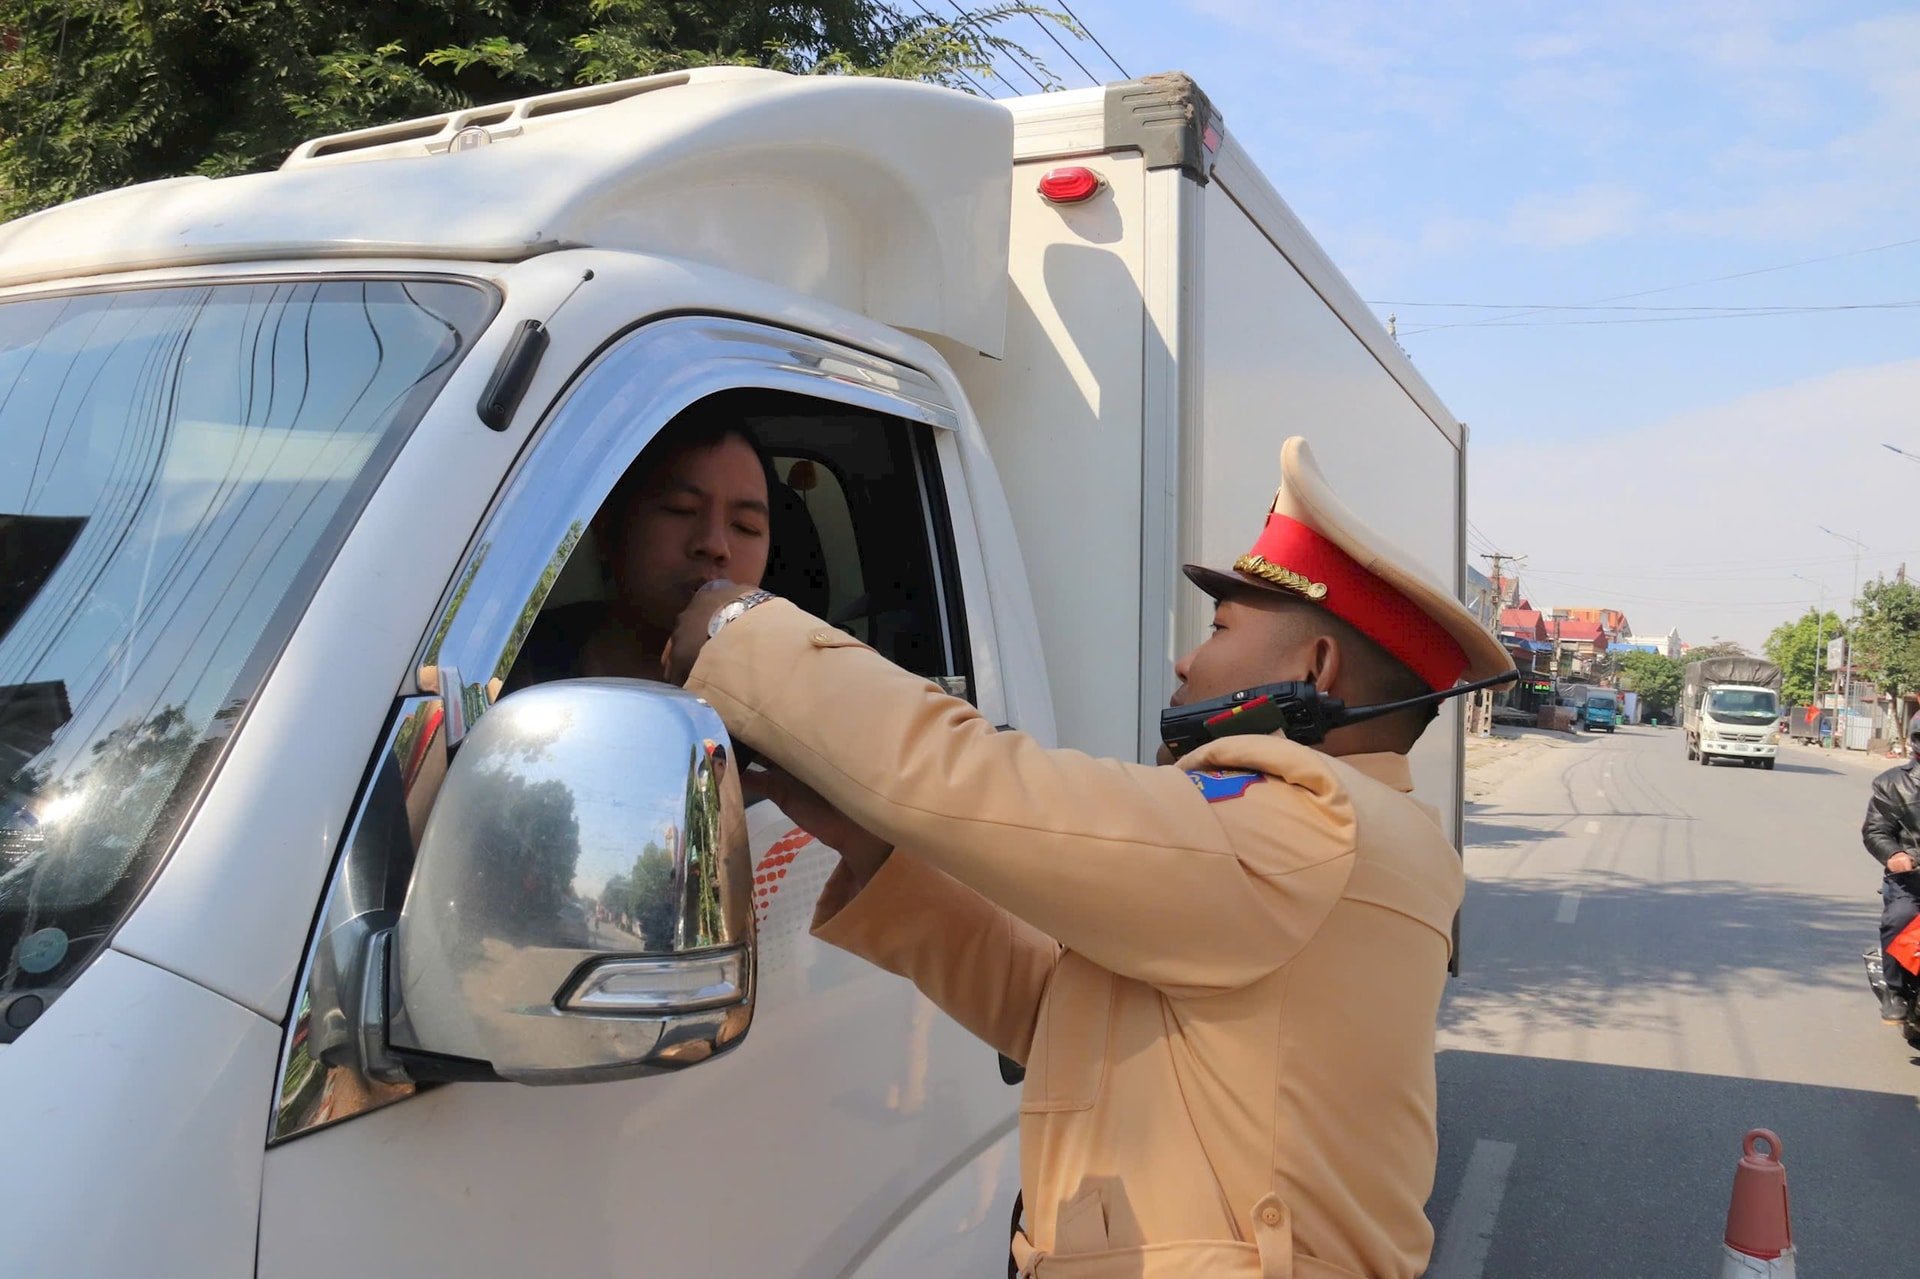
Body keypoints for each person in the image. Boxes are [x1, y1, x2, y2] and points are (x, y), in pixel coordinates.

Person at [664, 437, 1514, 1278]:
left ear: (1314, 669)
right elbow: (1067, 1022)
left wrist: (742, 630)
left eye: (1218, 627)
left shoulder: (1308, 823)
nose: (1186, 659)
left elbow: (983, 785)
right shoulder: (1339, 838)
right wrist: (874, 847)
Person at [504, 403, 777, 690]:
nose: (714, 545)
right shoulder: (509, 667)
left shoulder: (782, 711)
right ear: (608, 528)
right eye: (681, 509)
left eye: (746, 526)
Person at [1861, 714, 1920, 1028]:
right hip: (1911, 881)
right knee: (1898, 918)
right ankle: (1894, 991)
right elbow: (1875, 832)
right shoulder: (1892, 783)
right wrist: (1895, 854)